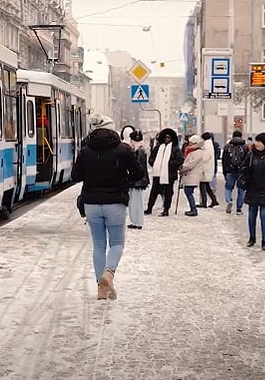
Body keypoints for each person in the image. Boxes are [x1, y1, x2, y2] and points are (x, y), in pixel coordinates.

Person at [71, 116, 145, 300]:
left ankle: (101, 287)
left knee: (98, 245)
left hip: (91, 204)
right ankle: (109, 274)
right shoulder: (123, 149)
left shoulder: (86, 150)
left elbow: (75, 176)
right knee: (117, 243)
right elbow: (138, 173)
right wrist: (123, 180)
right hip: (116, 203)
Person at [241, 132, 265, 250]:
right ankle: (252, 237)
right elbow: (243, 168)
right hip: (252, 188)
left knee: (264, 216)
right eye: (256, 141)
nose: (256, 143)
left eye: (259, 141)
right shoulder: (251, 154)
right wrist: (246, 171)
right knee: (251, 215)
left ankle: (264, 240)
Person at [147, 128, 184, 216]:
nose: (167, 139)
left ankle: (166, 209)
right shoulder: (158, 148)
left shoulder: (175, 149)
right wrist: (153, 163)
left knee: (168, 192)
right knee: (154, 191)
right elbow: (151, 158)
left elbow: (180, 159)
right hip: (158, 173)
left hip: (169, 174)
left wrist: (170, 163)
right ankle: (149, 208)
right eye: (165, 137)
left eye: (168, 137)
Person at [121, 125, 149, 229]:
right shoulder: (140, 150)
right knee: (134, 202)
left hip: (137, 181)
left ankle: (138, 222)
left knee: (136, 202)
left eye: (132, 140)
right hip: (137, 181)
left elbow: (138, 167)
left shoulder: (139, 151)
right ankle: (135, 221)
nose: (131, 143)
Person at [221, 129, 248, 215]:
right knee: (241, 190)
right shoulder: (245, 147)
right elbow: (248, 160)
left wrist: (224, 172)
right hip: (242, 172)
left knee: (228, 188)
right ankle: (239, 209)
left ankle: (229, 200)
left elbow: (224, 160)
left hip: (230, 170)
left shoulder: (227, 147)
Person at [180, 135, 206, 217]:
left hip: (192, 175)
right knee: (188, 191)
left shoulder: (198, 152)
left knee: (188, 192)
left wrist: (182, 167)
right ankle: (192, 208)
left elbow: (191, 164)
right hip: (190, 175)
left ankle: (193, 209)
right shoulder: (193, 151)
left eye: (191, 143)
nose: (189, 145)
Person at [199, 132, 220, 208]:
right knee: (207, 186)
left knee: (202, 185)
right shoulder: (209, 144)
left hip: (205, 168)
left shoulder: (207, 145)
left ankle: (204, 202)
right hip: (207, 168)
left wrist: (200, 159)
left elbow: (205, 157)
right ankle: (214, 200)